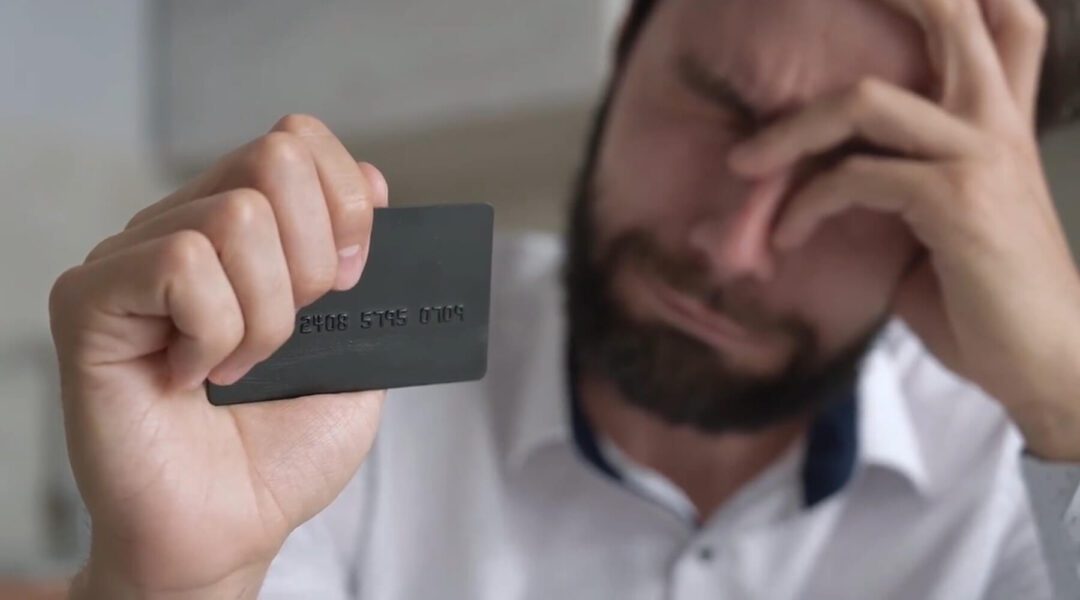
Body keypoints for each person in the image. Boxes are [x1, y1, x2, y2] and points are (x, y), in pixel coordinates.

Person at [48, 0, 1080, 597]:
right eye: (718, 104)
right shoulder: (352, 384)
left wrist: (1072, 404)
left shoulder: (1019, 473)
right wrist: (170, 586)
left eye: (855, 170)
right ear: (623, 55)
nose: (732, 244)